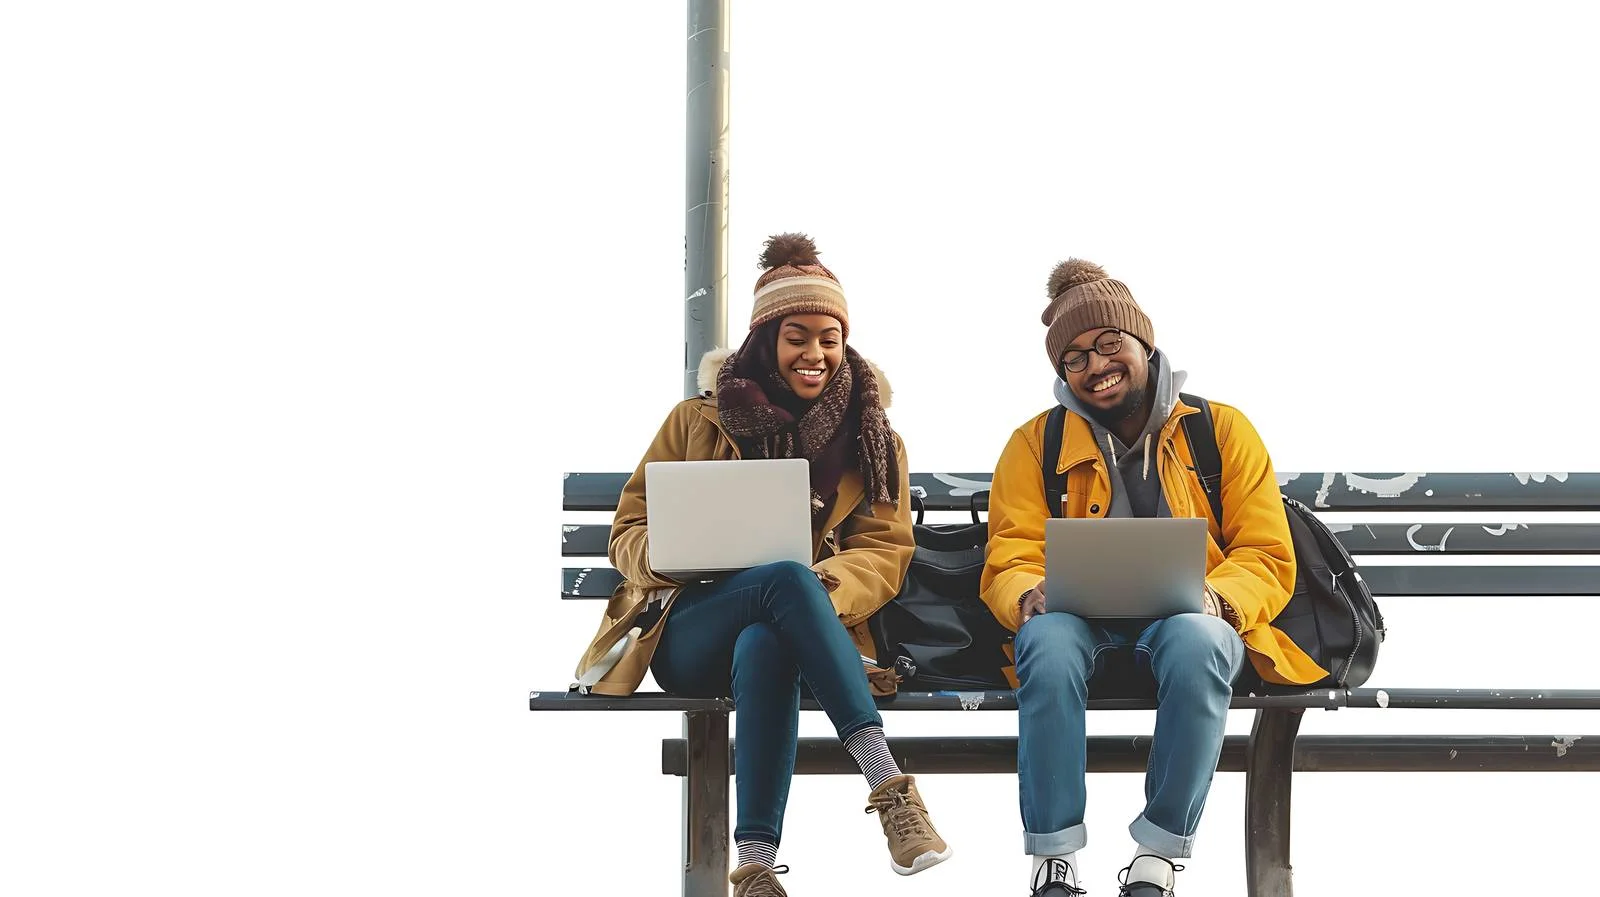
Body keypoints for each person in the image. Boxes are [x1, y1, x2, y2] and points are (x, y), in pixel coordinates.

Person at [574, 234, 951, 897]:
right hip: (691, 630)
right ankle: (888, 784)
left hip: (801, 633)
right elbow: (628, 529)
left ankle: (754, 868)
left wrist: (819, 589)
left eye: (829, 338)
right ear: (766, 341)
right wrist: (672, 552)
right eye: (797, 336)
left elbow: (886, 550)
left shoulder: (875, 438)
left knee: (772, 624)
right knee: (782, 578)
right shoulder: (697, 421)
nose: (815, 354)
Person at [980, 259, 1326, 896]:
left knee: (1201, 641)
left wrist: (1218, 599)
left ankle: (1157, 858)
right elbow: (1010, 553)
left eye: (1110, 345)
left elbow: (1267, 554)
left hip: (1188, 624)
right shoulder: (1034, 444)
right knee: (1046, 643)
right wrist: (1028, 594)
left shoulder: (1221, 431)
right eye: (1075, 357)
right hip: (1077, 626)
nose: (1096, 365)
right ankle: (1052, 860)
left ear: (1144, 343)